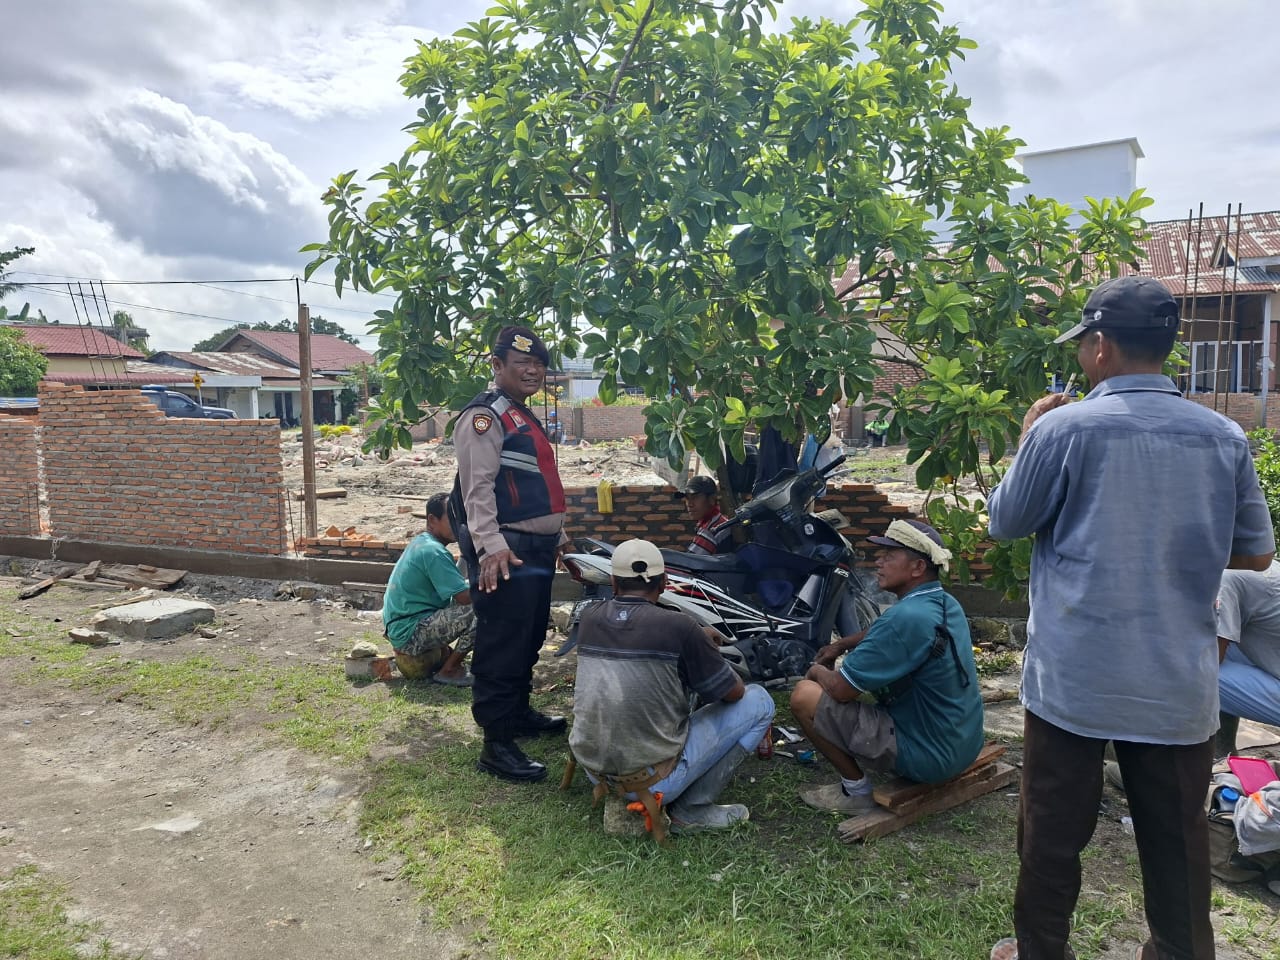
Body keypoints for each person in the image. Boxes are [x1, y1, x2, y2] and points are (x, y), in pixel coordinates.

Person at [985, 276, 1275, 960]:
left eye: (1084, 342)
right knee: (1177, 849)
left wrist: (1028, 437)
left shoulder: (1061, 428)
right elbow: (1258, 555)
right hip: (1175, 684)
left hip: (1074, 683)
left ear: (1102, 347)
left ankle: (1040, 952)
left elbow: (1005, 521)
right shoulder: (1224, 435)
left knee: (1051, 840)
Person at [568, 539, 776, 831]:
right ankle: (692, 810)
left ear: (613, 583)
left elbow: (636, 634)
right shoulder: (680, 627)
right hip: (653, 781)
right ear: (664, 583)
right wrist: (702, 646)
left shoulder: (588, 618)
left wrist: (695, 639)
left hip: (595, 770)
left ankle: (625, 796)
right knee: (759, 701)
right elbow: (734, 693)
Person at [790, 519, 983, 814]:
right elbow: (883, 628)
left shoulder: (905, 619)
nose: (878, 562)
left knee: (805, 694)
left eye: (889, 556)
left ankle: (855, 792)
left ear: (918, 567)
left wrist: (816, 670)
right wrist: (842, 644)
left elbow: (841, 691)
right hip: (962, 745)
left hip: (930, 757)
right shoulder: (942, 602)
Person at [450, 325, 568, 783]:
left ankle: (518, 715)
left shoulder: (520, 414)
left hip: (534, 550)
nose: (533, 370)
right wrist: (490, 546)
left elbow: (532, 485)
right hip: (506, 553)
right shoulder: (485, 416)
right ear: (497, 366)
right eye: (522, 364)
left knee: (530, 636)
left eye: (538, 364)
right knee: (502, 644)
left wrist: (558, 537)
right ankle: (496, 743)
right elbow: (476, 487)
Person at [382, 492, 475, 686]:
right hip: (410, 632)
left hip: (403, 627)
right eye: (452, 518)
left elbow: (456, 584)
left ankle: (449, 662)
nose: (459, 524)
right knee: (482, 607)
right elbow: (464, 598)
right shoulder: (433, 552)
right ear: (432, 520)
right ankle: (449, 670)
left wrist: (468, 554)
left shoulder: (423, 543)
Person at [1213, 559, 1280, 756]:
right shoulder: (1262, 563)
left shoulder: (1225, 579)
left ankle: (1210, 758)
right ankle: (1222, 751)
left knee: (1191, 673)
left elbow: (1212, 657)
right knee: (1227, 644)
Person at [677, 475, 733, 555]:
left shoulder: (711, 530)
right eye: (687, 498)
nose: (689, 504)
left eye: (695, 497)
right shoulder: (719, 521)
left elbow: (690, 563)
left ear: (711, 499)